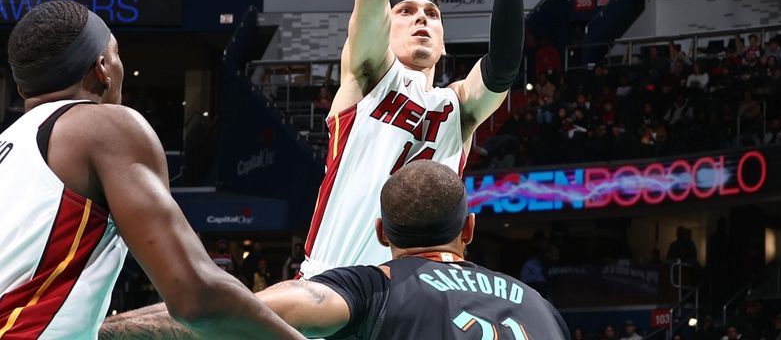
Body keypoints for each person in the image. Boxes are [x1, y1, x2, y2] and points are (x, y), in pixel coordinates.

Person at [0, 0, 302, 340]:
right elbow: (198, 296)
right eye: (116, 53)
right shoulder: (104, 127)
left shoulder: (10, 145)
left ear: (25, 89)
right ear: (103, 67)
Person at [299, 0, 533, 278]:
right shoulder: (367, 77)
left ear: (443, 43)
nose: (422, 18)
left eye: (432, 14)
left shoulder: (457, 106)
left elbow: (504, 67)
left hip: (409, 302)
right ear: (385, 31)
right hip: (331, 284)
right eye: (406, 11)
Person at [99, 161, 570, 340]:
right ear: (469, 227)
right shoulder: (543, 309)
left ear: (382, 233)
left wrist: (97, 330)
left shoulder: (374, 286)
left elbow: (221, 313)